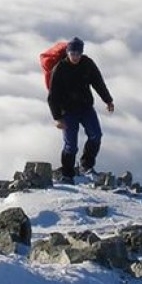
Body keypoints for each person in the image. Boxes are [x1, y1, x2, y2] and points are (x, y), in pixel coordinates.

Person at [47, 37, 114, 184]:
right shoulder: (60, 68)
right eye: (72, 53)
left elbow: (98, 82)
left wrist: (108, 100)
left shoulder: (87, 64)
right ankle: (67, 174)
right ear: (67, 52)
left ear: (82, 53)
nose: (75, 57)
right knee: (71, 145)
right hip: (68, 111)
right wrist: (57, 118)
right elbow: (53, 96)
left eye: (78, 54)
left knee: (96, 135)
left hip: (85, 108)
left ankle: (86, 165)